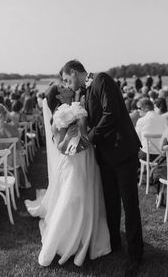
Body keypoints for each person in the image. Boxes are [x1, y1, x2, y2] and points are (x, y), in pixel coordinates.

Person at [61, 60, 143, 276]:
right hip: (105, 156)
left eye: (68, 79)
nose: (68, 84)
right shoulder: (85, 93)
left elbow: (111, 113)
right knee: (111, 201)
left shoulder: (101, 80)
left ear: (74, 71)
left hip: (123, 151)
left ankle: (135, 255)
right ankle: (114, 243)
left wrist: (90, 138)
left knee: (130, 204)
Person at [25, 85, 111, 267]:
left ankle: (87, 237)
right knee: (72, 199)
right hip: (72, 164)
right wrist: (68, 137)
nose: (67, 86)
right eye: (63, 86)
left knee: (89, 196)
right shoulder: (59, 115)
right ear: (58, 95)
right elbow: (60, 147)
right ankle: (65, 239)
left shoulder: (77, 105)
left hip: (87, 158)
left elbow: (86, 134)